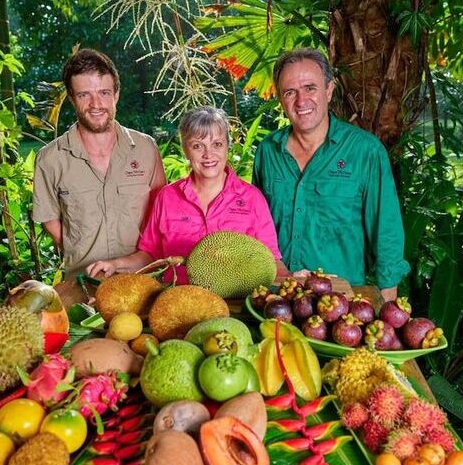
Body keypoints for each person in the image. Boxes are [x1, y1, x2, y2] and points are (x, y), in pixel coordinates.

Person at [252, 48, 409, 301]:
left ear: (329, 90)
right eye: (290, 92)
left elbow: (386, 232)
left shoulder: (365, 151)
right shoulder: (268, 152)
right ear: (281, 99)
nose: (301, 101)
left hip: (341, 305)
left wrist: (387, 308)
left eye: (310, 88)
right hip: (277, 299)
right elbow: (256, 227)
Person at [86, 106, 285, 281]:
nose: (208, 155)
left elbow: (270, 261)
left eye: (217, 144)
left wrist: (295, 280)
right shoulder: (167, 197)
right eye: (198, 146)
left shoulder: (252, 199)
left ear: (227, 147)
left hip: (235, 307)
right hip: (177, 302)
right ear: (185, 150)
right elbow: (150, 255)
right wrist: (115, 265)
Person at [32, 49, 166, 278]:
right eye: (84, 95)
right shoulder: (50, 159)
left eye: (104, 92)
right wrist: (82, 251)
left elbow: (162, 211)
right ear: (72, 98)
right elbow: (50, 220)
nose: (96, 104)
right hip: (83, 283)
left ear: (116, 94)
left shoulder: (146, 149)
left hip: (143, 279)